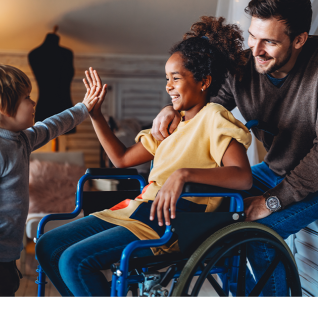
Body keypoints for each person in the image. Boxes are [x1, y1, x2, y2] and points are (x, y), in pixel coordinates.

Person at [150, 0, 318, 296]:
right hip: (274, 167)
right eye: (253, 36)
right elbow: (206, 108)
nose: (256, 50)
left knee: (256, 231)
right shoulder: (243, 65)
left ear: (299, 39)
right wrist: (172, 108)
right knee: (215, 213)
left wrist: (270, 202)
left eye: (270, 41)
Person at [35, 17, 253, 296]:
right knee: (47, 245)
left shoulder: (214, 117)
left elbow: (243, 177)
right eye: (167, 79)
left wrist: (184, 175)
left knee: (74, 261)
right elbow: (122, 159)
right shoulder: (171, 123)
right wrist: (96, 115)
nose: (169, 86)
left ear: (204, 81)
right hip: (137, 210)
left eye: (176, 78)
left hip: (172, 222)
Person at [0, 63, 103, 297]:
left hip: (4, 261)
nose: (33, 103)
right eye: (26, 97)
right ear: (3, 107)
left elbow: (53, 125)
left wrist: (84, 107)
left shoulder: (20, 140)